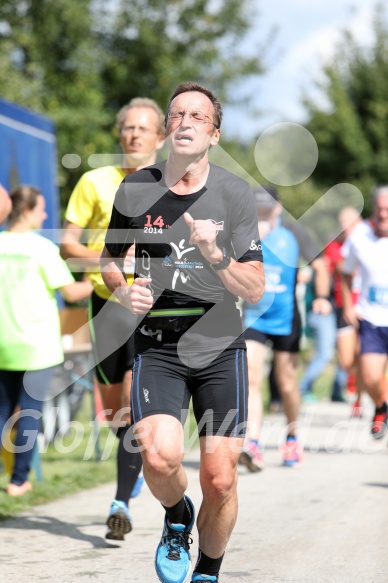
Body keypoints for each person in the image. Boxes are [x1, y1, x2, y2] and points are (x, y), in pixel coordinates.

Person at [101, 81, 264, 583]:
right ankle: (176, 516)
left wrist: (216, 256)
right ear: (167, 128)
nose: (185, 122)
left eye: (197, 116)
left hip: (219, 346)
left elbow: (255, 287)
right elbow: (110, 261)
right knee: (156, 451)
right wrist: (124, 289)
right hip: (158, 345)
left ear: (214, 134)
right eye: (177, 115)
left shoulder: (234, 194)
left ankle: (208, 571)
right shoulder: (135, 189)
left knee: (219, 478)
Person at [60, 97, 165, 539]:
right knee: (111, 409)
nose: (135, 135)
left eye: (144, 129)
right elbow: (68, 244)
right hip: (105, 302)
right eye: (128, 129)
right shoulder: (94, 181)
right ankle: (131, 470)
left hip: (150, 307)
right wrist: (110, 262)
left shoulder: (172, 184)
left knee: (132, 405)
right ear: (120, 135)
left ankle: (120, 500)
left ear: (160, 138)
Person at [0, 185, 92, 496]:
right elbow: (71, 292)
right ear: (26, 212)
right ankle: (18, 480)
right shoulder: (41, 249)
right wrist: (98, 279)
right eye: (40, 208)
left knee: (2, 412)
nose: (45, 214)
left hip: (3, 343)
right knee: (28, 411)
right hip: (37, 346)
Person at [240, 186, 332, 471]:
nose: (262, 213)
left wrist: (321, 297)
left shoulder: (294, 232)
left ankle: (292, 436)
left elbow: (321, 264)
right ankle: (252, 443)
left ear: (278, 207)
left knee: (286, 382)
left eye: (267, 208)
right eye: (258, 208)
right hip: (254, 317)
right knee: (252, 377)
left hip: (286, 318)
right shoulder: (242, 230)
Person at [342, 185, 388, 438]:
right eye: (379, 209)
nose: (383, 215)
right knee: (370, 376)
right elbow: (346, 272)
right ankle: (381, 407)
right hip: (371, 318)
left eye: (387, 210)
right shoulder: (360, 235)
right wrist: (349, 305)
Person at [325, 207, 363, 412]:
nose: (345, 225)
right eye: (342, 221)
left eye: (350, 220)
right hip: (344, 308)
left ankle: (363, 398)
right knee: (348, 359)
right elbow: (338, 266)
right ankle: (356, 387)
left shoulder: (374, 242)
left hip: (368, 307)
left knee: (367, 354)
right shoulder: (335, 246)